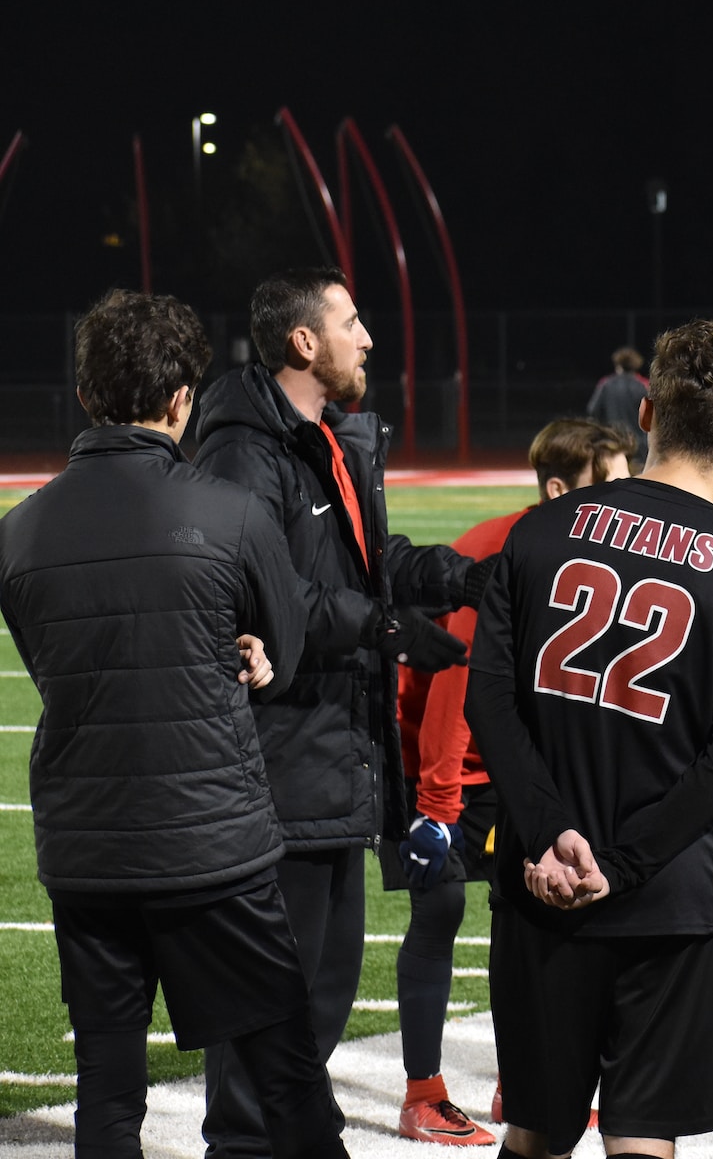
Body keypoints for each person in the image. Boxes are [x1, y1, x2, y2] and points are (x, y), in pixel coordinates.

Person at [0, 291, 345, 1158]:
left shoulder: (19, 531)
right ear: (183, 398)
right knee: (292, 1087)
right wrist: (250, 653)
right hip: (213, 849)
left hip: (87, 850)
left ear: (85, 394)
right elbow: (288, 648)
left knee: (108, 1102)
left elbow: (64, 664)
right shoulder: (228, 513)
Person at [465, 320, 713, 1159]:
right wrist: (622, 863)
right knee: (643, 1138)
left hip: (541, 883)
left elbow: (490, 705)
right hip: (669, 892)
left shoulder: (538, 534)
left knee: (536, 1129)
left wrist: (548, 835)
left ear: (646, 411)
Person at [194, 267, 487, 1158]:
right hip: (280, 764)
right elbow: (272, 597)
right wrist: (390, 630)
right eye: (352, 322)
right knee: (267, 1032)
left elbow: (366, 563)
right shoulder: (248, 449)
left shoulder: (329, 438)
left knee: (315, 1009)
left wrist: (460, 579)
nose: (369, 338)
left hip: (334, 760)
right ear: (304, 343)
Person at [386, 418, 636, 1144]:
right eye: (611, 485)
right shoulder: (506, 550)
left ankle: (520, 1081)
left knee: (530, 919)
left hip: (510, 761)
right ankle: (422, 1094)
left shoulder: (586, 547)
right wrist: (435, 807)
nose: (626, 500)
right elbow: (450, 687)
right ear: (560, 490)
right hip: (443, 762)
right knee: (440, 911)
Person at [588, 346, 650, 464]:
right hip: (638, 445)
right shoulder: (643, 385)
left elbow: (592, 410)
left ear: (617, 365)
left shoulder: (605, 384)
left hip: (612, 442)